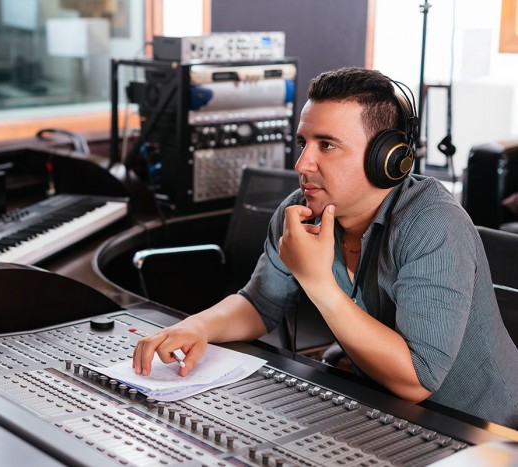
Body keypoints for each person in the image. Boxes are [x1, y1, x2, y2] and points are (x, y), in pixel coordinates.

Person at [132, 67, 518, 427]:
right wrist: (196, 327)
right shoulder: (301, 209)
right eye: (303, 142)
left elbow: (417, 380)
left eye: (327, 145)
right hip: (382, 411)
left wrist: (316, 281)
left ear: (388, 160)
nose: (303, 163)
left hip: (476, 429)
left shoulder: (433, 223)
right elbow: (261, 303)